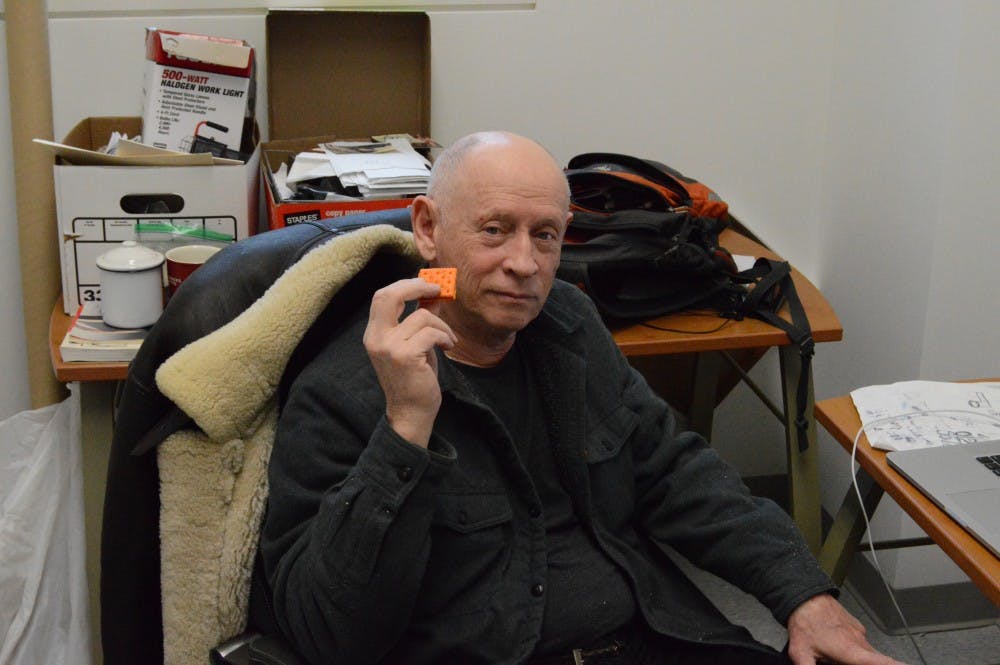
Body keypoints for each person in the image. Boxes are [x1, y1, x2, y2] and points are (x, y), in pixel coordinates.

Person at [258, 131, 905, 665]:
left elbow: (674, 470)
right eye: (494, 230)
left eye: (544, 235)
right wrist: (404, 429)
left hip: (650, 633)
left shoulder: (567, 323)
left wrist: (802, 594)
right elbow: (329, 634)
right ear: (429, 229)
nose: (524, 263)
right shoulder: (342, 389)